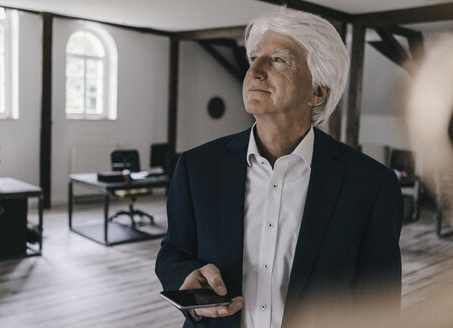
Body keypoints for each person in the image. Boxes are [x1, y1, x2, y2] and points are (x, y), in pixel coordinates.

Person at [156, 8, 403, 328]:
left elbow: (379, 309)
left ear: (318, 90)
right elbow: (172, 252)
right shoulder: (196, 167)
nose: (254, 71)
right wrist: (186, 275)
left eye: (278, 60)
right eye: (254, 57)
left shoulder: (371, 185)